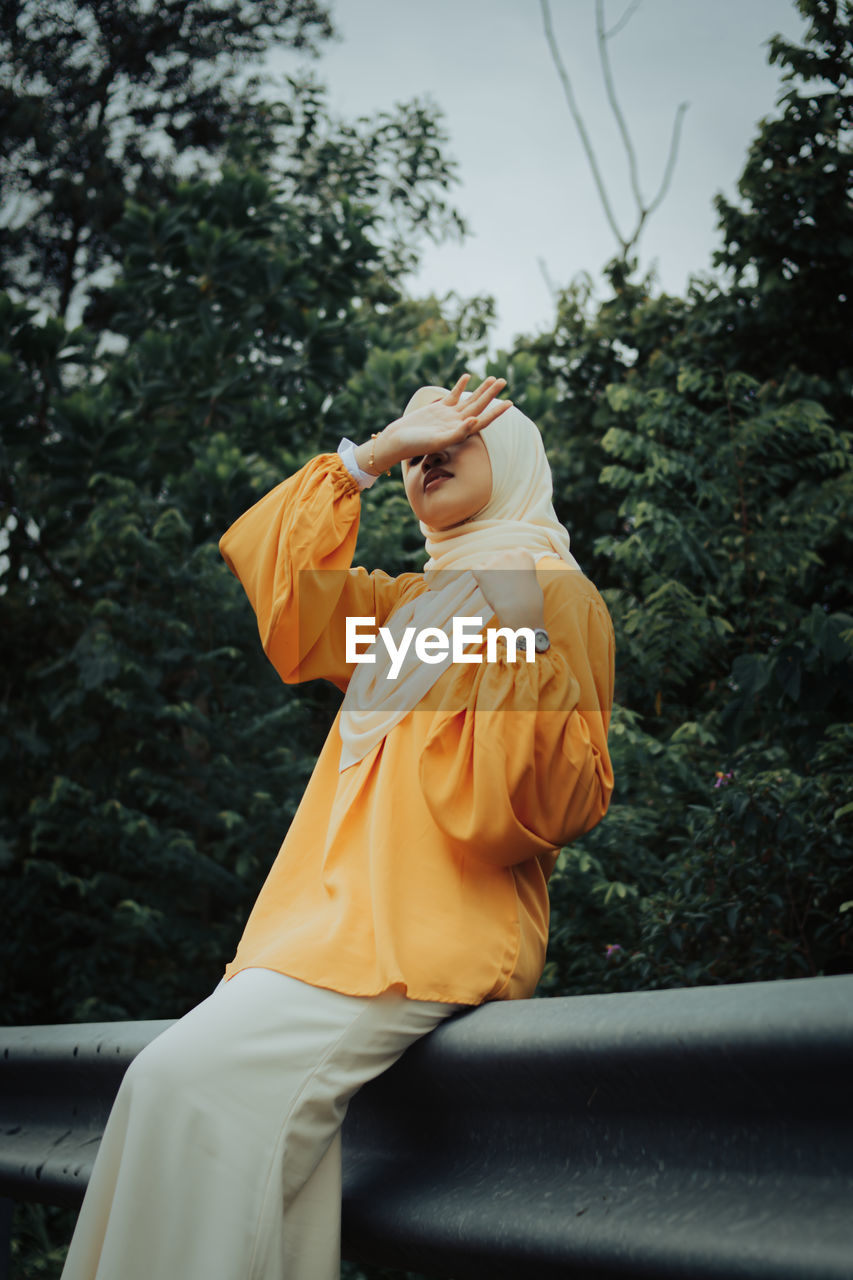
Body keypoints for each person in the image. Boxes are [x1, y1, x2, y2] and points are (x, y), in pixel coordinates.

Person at [60, 373, 614, 1280]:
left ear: (510, 458)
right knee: (272, 1161)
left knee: (180, 1087)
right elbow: (285, 592)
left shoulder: (552, 593)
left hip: (422, 935)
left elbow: (544, 805)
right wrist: (370, 455)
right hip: (320, 933)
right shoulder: (409, 612)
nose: (429, 458)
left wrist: (513, 619)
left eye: (456, 442)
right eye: (418, 452)